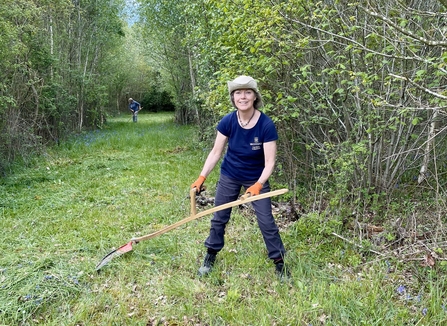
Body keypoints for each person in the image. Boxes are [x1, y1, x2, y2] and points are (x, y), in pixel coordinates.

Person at [191, 75, 289, 280]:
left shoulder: (265, 124)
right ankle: (210, 256)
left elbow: (270, 162)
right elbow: (216, 152)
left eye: (247, 92)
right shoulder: (228, 121)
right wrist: (201, 177)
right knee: (219, 217)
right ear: (233, 97)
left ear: (254, 97)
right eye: (238, 93)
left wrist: (258, 185)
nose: (242, 97)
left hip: (257, 178)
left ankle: (279, 263)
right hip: (230, 175)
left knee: (266, 221)